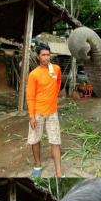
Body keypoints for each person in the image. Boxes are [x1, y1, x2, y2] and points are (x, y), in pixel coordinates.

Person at [26, 43, 62, 177]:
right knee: (35, 140)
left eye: (48, 54)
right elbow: (30, 96)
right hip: (37, 113)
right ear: (38, 56)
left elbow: (58, 81)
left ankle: (58, 172)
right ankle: (37, 165)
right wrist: (31, 116)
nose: (46, 57)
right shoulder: (34, 74)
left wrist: (55, 95)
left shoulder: (56, 69)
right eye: (43, 55)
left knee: (55, 141)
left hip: (52, 112)